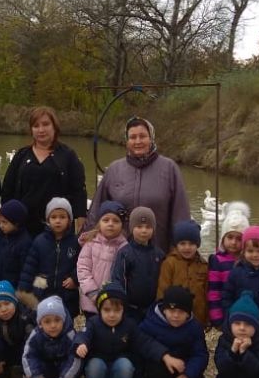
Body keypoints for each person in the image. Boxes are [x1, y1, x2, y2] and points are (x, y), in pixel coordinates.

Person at [86, 116, 190, 253]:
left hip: (158, 254)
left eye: (142, 136)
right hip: (117, 254)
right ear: (127, 141)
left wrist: (180, 248)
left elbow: (180, 213)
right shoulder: (114, 169)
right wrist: (86, 242)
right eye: (133, 137)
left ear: (151, 138)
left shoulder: (169, 169)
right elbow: (96, 211)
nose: (138, 141)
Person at [1, 106, 88, 238]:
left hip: (56, 227)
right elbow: (8, 188)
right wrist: (6, 216)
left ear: (54, 126)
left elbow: (78, 189)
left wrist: (80, 216)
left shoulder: (68, 155)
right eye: (36, 126)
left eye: (46, 124)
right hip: (23, 226)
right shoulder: (22, 155)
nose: (41, 130)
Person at [74, 282, 163, 378]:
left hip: (119, 361)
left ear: (123, 310)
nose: (112, 315)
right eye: (107, 310)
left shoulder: (129, 325)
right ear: (99, 309)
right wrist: (81, 344)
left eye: (117, 310)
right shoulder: (93, 323)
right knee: (94, 365)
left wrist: (163, 354)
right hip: (98, 360)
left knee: (126, 365)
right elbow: (83, 335)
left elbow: (144, 342)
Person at [139, 286, 209, 378]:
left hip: (183, 364)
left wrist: (188, 374)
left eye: (181, 312)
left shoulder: (194, 328)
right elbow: (143, 342)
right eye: (172, 311)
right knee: (155, 369)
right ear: (164, 310)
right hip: (160, 363)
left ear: (188, 313)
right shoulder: (151, 322)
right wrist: (164, 356)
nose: (176, 316)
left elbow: (200, 354)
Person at [18, 197, 81, 315]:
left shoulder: (75, 242)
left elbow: (81, 265)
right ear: (48, 220)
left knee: (65, 323)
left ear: (69, 220)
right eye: (54, 217)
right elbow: (29, 267)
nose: (58, 221)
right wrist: (23, 290)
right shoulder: (39, 241)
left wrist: (74, 278)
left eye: (62, 217)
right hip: (42, 291)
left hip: (66, 294)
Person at [22, 296, 83, 378]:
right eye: (47, 321)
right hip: (48, 365)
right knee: (37, 364)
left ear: (63, 320)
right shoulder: (36, 335)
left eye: (57, 320)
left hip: (64, 368)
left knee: (73, 365)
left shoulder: (70, 335)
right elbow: (28, 356)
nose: (53, 325)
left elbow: (74, 359)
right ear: (40, 323)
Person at [109, 206, 164, 323]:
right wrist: (121, 303)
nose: (144, 230)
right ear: (132, 228)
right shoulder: (125, 253)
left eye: (148, 227)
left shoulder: (159, 254)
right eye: (139, 227)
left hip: (153, 308)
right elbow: (118, 279)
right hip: (131, 308)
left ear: (153, 229)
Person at [76, 201, 128, 319]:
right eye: (106, 220)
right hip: (90, 301)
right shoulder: (90, 243)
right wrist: (92, 292)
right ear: (99, 222)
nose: (111, 224)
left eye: (116, 221)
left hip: (113, 303)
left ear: (122, 224)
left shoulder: (124, 247)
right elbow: (83, 269)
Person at [156, 220, 209, 327]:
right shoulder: (169, 263)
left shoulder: (204, 265)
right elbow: (162, 291)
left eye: (191, 243)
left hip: (198, 319)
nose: (187, 248)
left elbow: (207, 292)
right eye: (182, 243)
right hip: (175, 317)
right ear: (176, 245)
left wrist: (208, 318)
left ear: (197, 245)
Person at [207, 203, 249, 329]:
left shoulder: (249, 261)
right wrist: (217, 318)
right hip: (226, 316)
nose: (233, 242)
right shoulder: (217, 261)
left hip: (246, 317)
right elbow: (214, 291)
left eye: (239, 239)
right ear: (223, 238)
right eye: (229, 237)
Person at [0, 199, 32, 290]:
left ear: (16, 223)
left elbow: (26, 272)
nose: (1, 225)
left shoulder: (25, 243)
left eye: (5, 222)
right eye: (0, 222)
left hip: (12, 291)